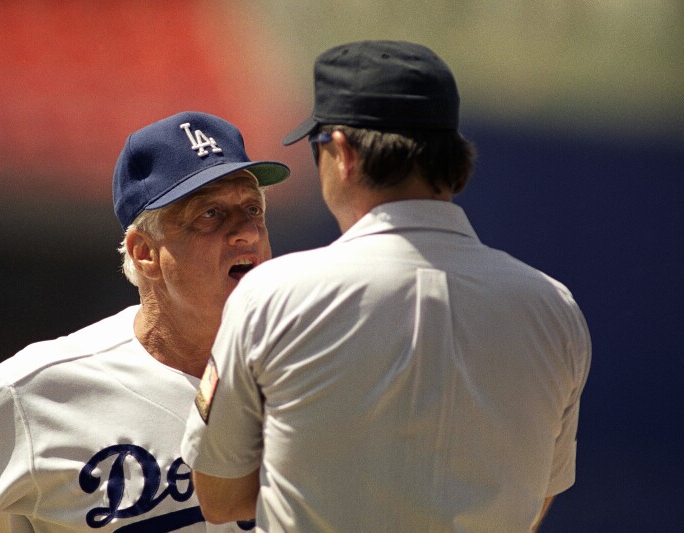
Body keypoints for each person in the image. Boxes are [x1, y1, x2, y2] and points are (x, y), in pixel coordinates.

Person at [181, 41, 592, 532]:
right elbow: (535, 502)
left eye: (318, 150)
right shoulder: (554, 308)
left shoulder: (272, 295)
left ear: (343, 153)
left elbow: (222, 497)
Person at [0, 111, 289, 532]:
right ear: (144, 253)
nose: (246, 232)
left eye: (252, 209)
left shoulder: (304, 360)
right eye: (210, 215)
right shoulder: (36, 390)